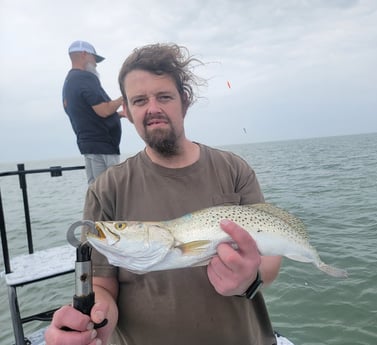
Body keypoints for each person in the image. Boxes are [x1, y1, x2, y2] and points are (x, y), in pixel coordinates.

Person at [46, 43, 282, 345]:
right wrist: (95, 320)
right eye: (140, 100)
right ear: (128, 112)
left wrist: (250, 277)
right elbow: (103, 286)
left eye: (164, 96)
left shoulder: (234, 169)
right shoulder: (106, 189)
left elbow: (271, 256)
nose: (153, 108)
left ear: (184, 101)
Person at [63, 40, 126, 184]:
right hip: (103, 147)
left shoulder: (69, 82)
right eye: (94, 59)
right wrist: (124, 97)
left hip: (88, 146)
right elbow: (104, 110)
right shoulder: (86, 77)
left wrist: (118, 115)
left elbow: (86, 114)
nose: (96, 64)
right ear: (84, 54)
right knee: (112, 191)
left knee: (95, 190)